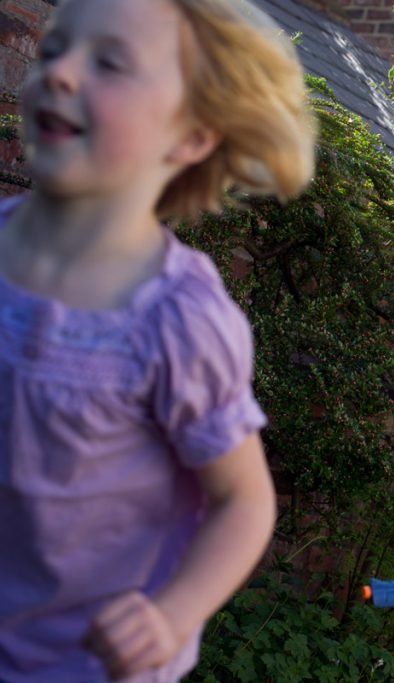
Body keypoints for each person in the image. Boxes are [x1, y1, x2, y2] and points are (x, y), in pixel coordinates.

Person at [0, 0, 316, 680]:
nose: (61, 73)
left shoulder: (176, 320)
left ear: (193, 136)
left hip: (79, 666)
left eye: (109, 63)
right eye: (55, 49)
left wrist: (171, 613)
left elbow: (244, 501)